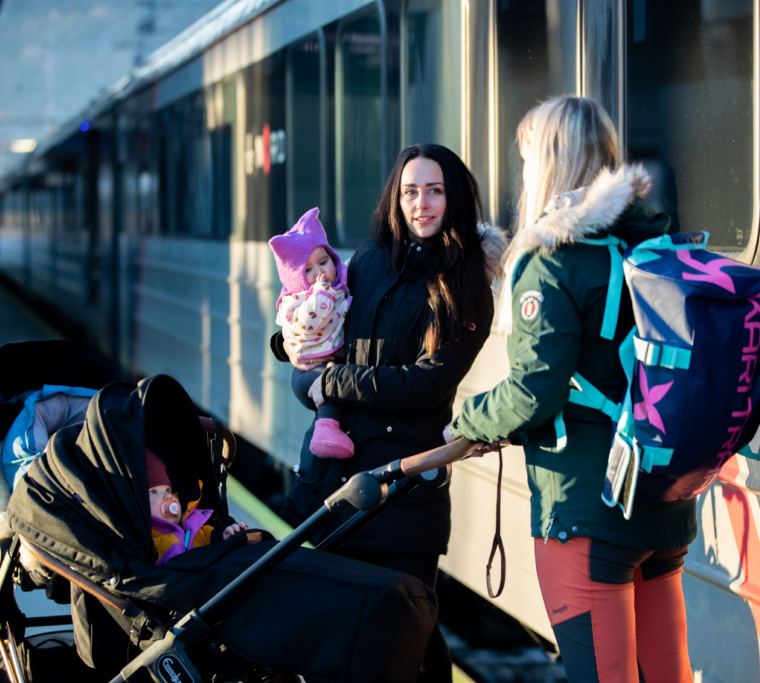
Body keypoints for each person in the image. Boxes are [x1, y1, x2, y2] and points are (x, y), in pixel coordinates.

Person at [444, 96, 697, 683]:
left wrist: (468, 419)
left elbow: (533, 392)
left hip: (584, 508)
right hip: (660, 503)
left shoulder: (551, 261)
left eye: (531, 155)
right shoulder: (650, 244)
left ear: (551, 163)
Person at [273, 143, 507, 682]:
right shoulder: (369, 261)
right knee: (343, 646)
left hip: (404, 492)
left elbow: (427, 385)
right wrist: (292, 347)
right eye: (409, 191)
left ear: (454, 197)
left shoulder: (469, 286)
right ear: (394, 198)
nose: (420, 204)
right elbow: (325, 340)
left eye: (434, 190)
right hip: (336, 484)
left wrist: (327, 380)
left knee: (408, 642)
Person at [270, 207, 354, 458]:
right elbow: (311, 322)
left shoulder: (340, 283)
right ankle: (325, 433)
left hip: (327, 362)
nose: (319, 272)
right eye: (307, 270)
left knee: (335, 379)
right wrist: (320, 294)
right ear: (295, 278)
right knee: (330, 385)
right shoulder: (299, 300)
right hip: (307, 372)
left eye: (323, 262)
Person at [146, 449, 248, 565]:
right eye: (152, 492)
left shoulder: (194, 525)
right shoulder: (146, 544)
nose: (167, 497)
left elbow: (212, 538)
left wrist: (225, 534)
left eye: (168, 490)